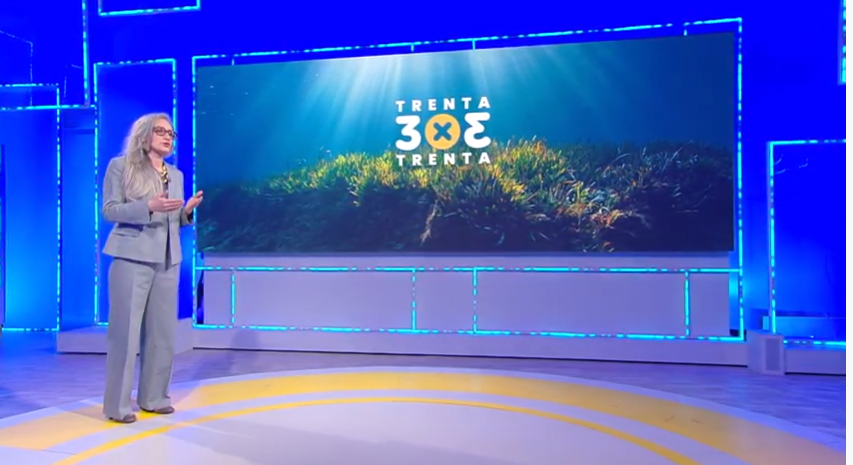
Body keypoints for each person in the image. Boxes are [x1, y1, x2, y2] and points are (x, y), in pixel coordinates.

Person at [100, 113, 203, 424]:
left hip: (168, 260)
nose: (168, 137)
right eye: (161, 131)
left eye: (171, 133)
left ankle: (155, 397)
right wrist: (147, 206)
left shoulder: (176, 175)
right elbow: (110, 211)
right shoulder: (121, 166)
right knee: (125, 335)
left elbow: (172, 220)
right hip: (131, 256)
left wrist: (186, 214)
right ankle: (117, 406)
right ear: (144, 136)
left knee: (162, 334)